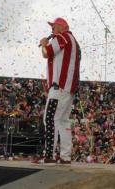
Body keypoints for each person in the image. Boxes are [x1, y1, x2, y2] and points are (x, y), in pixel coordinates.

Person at [37, 17, 81, 165]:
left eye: (54, 26)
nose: (52, 30)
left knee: (50, 119)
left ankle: (48, 155)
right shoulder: (74, 42)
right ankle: (65, 156)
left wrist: (44, 43)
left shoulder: (62, 36)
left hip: (59, 87)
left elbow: (47, 53)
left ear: (61, 27)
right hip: (69, 88)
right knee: (63, 121)